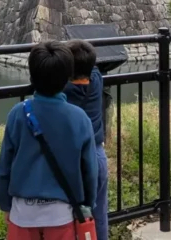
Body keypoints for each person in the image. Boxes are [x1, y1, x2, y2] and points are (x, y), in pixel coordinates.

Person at [0, 42, 98, 240]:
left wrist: (5, 204)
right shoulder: (79, 118)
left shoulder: (18, 114)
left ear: (32, 76)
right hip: (61, 214)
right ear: (68, 77)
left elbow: (4, 167)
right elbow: (90, 170)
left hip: (22, 213)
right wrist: (87, 205)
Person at [63, 40, 109, 240]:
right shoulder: (97, 80)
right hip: (97, 154)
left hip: (71, 160)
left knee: (69, 213)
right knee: (98, 212)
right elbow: (95, 67)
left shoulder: (64, 91)